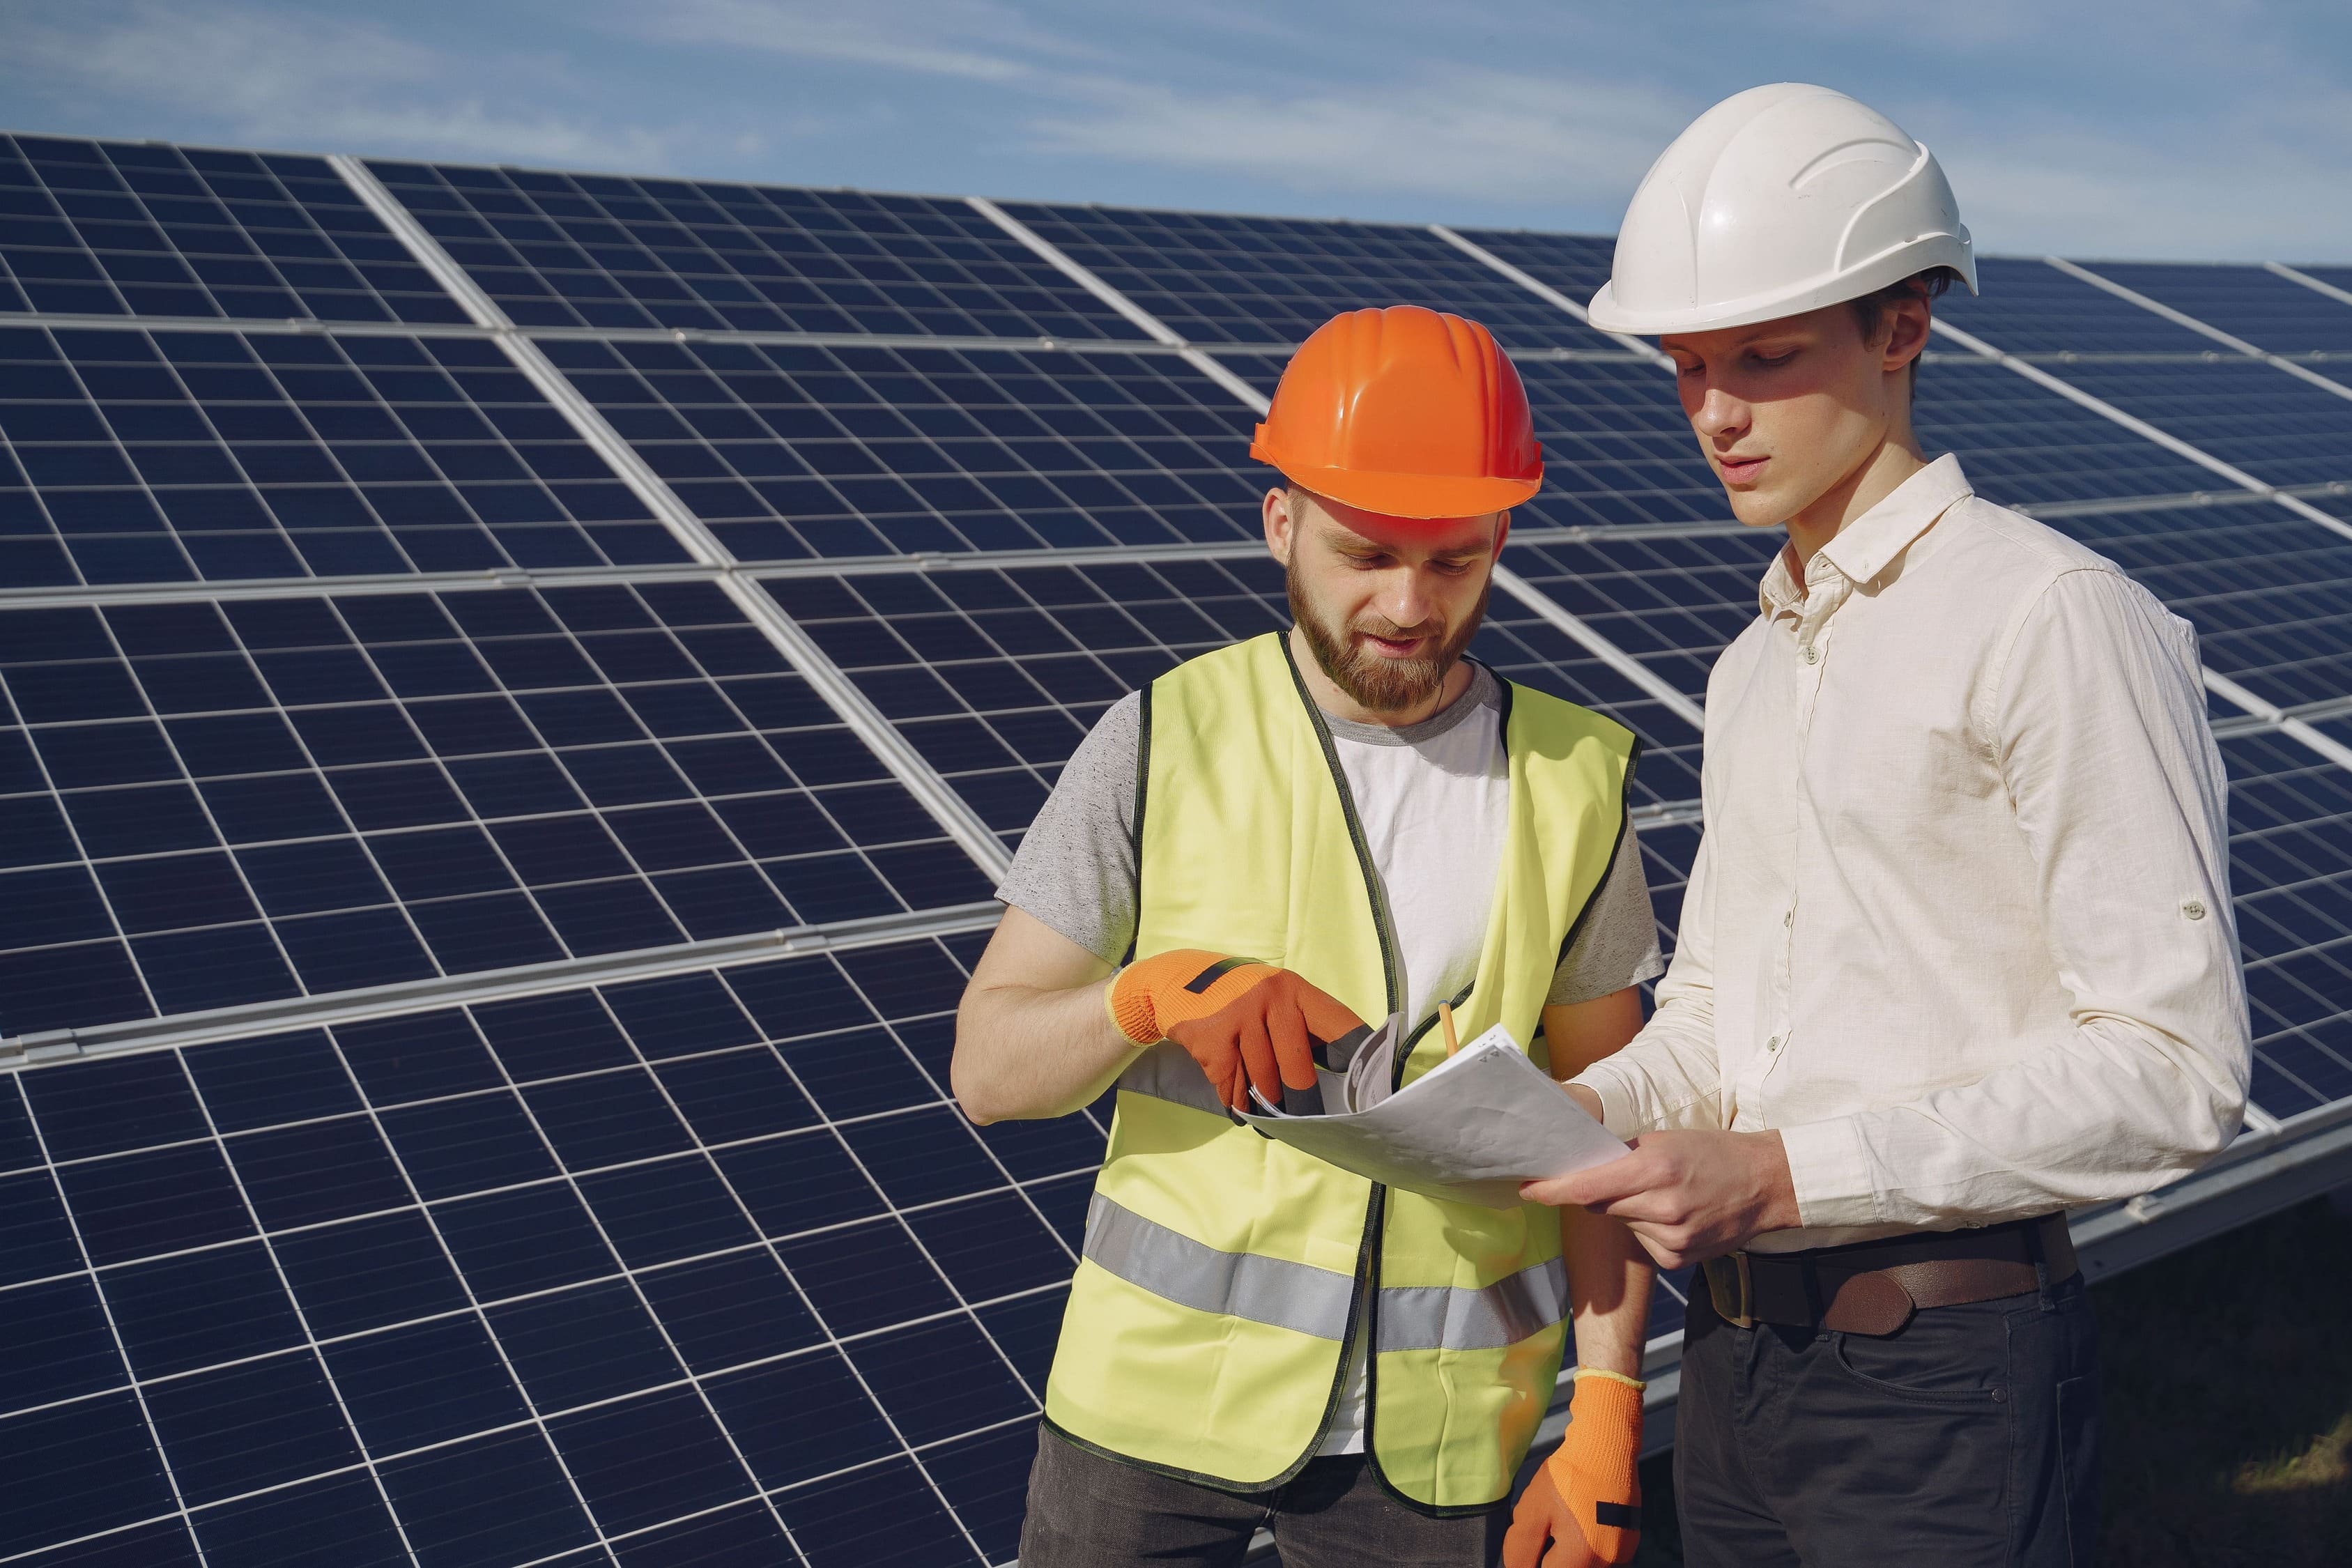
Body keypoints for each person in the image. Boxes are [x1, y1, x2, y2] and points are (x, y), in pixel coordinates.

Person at [1507, 84, 2252, 1568]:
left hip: (1945, 1385)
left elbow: (2177, 1069)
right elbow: (1720, 1013)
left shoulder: (2049, 618)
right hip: (1725, 1378)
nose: (1712, 413)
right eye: (1684, 367)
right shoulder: (1751, 664)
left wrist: (1786, 1174)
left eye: (1764, 360)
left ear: (1902, 328)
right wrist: (1563, 1116)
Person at [954, 305, 1666, 1567]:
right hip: (1149, 1417)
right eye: (1365, 553)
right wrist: (1146, 997)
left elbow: (1609, 1123)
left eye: (1453, 561)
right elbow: (987, 1074)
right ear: (1281, 518)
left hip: (1444, 1439)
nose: (1407, 603)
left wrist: (1605, 1407)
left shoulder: (1575, 780)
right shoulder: (1163, 739)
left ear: (1503, 532)